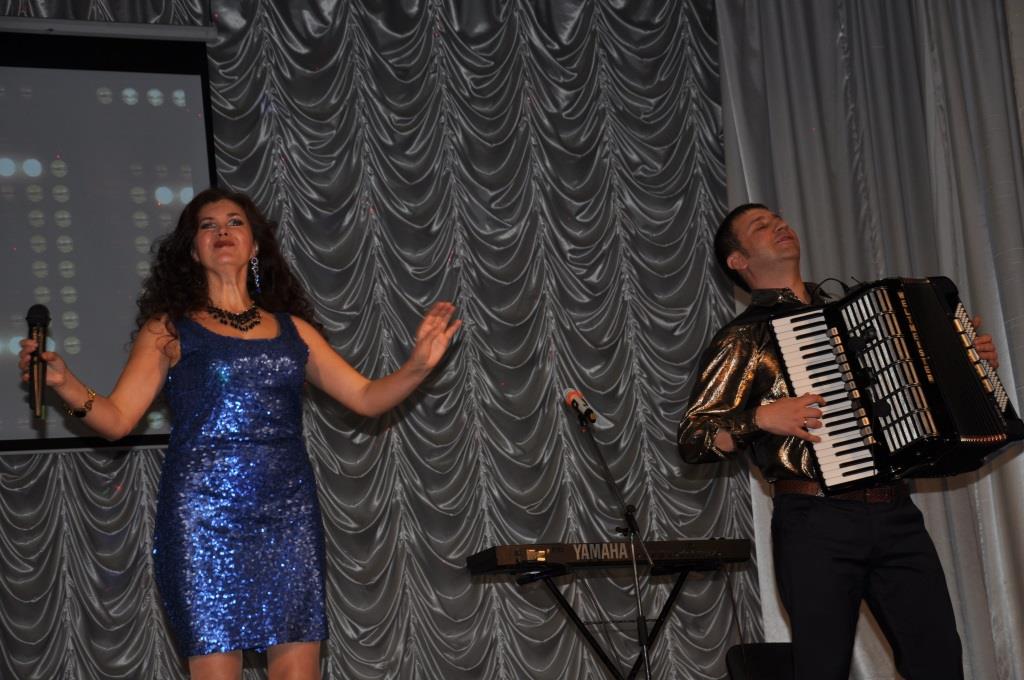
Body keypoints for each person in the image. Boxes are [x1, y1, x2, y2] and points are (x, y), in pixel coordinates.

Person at [18, 187, 461, 680]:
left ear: (254, 245)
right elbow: (117, 419)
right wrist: (64, 383)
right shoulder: (169, 330)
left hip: (287, 512)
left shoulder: (294, 330)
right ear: (193, 250)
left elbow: (365, 397)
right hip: (203, 515)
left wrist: (417, 366)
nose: (222, 232)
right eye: (207, 226)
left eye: (234, 223)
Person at [678, 203, 999, 680]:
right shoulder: (743, 337)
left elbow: (916, 381)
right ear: (738, 261)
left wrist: (966, 357)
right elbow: (694, 438)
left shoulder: (856, 312)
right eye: (761, 226)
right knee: (822, 668)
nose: (779, 225)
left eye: (778, 219)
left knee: (939, 662)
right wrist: (760, 418)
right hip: (814, 522)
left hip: (896, 512)